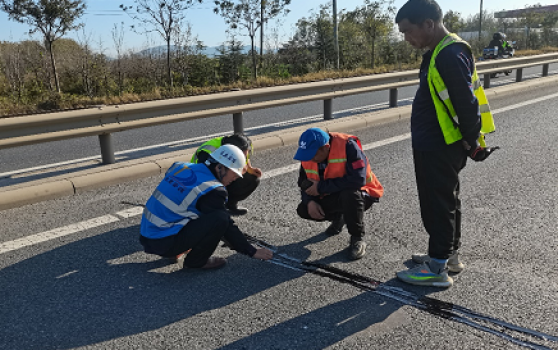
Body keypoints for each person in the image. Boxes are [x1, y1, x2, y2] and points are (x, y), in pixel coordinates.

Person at [395, 0, 498, 287]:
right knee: (447, 200)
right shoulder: (439, 51)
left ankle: (436, 268)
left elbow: (466, 104)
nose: (406, 38)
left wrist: (470, 140)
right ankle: (447, 256)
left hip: (440, 144)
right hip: (439, 141)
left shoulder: (449, 54)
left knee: (437, 204)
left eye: (407, 31)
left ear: (428, 23)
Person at [140, 144, 273, 269]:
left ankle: (177, 249)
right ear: (220, 167)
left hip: (146, 235)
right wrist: (251, 251)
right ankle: (196, 261)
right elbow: (227, 225)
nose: (235, 178)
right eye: (234, 174)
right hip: (164, 242)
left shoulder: (180, 166)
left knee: (195, 209)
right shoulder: (212, 189)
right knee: (220, 218)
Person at [293, 127, 384, 260]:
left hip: (363, 193)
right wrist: (309, 201)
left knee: (349, 195)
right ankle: (339, 217)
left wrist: (321, 187)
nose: (310, 159)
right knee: (303, 209)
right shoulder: (309, 155)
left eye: (313, 155)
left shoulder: (348, 146)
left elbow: (358, 179)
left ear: (325, 147)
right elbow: (303, 182)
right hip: (332, 192)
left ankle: (357, 238)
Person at [191, 133, 262, 216]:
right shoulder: (207, 151)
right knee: (218, 216)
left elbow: (246, 158)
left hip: (224, 173)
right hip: (199, 182)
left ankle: (230, 206)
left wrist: (250, 168)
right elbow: (205, 175)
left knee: (252, 179)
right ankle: (210, 209)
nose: (244, 158)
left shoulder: (242, 146)